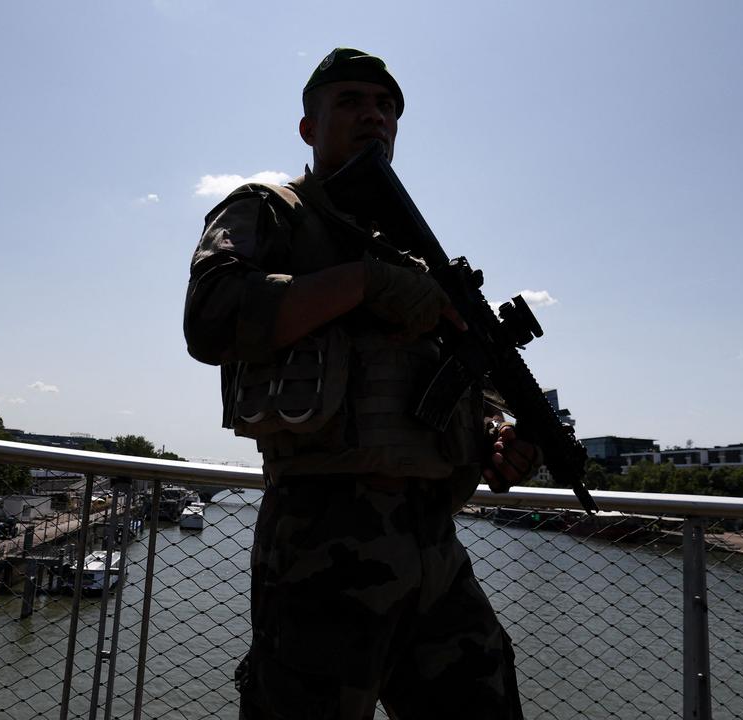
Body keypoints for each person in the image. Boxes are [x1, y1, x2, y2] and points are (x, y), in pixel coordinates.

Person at [184, 48, 539, 720]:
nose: (374, 116)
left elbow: (469, 382)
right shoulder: (273, 211)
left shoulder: (415, 255)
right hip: (322, 535)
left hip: (435, 544)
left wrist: (498, 436)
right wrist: (364, 284)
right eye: (351, 101)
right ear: (308, 128)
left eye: (387, 108)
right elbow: (210, 319)